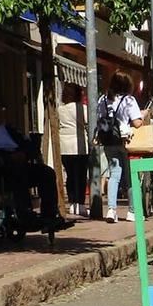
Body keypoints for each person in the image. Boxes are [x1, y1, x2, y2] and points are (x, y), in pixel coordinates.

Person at [0, 100, 63, 232]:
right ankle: (25, 212)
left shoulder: (10, 128)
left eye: (2, 110)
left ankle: (49, 215)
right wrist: (6, 157)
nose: (1, 113)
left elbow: (29, 145)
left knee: (46, 172)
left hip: (19, 161)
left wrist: (24, 154)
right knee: (17, 172)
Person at [94, 70, 144, 223]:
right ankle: (132, 211)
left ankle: (111, 210)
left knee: (113, 175)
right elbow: (137, 123)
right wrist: (144, 114)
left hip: (108, 140)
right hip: (125, 141)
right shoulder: (129, 100)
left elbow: (99, 119)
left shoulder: (103, 99)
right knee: (130, 178)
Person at [56, 82, 89, 219]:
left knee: (70, 175)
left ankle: (72, 203)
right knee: (81, 175)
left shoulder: (60, 109)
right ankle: (80, 204)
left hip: (65, 146)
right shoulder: (83, 108)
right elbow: (88, 122)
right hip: (80, 145)